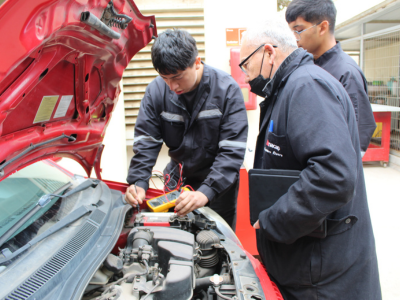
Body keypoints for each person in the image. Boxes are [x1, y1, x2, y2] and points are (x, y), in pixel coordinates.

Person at [240, 19, 381, 299]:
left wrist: (273, 221)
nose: (246, 76)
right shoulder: (289, 87)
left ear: (269, 53)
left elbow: (333, 176)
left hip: (321, 272)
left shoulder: (306, 87)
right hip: (306, 260)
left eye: (246, 65)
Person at [125, 29, 248, 228]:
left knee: (214, 245)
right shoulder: (156, 91)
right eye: (165, 78)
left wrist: (206, 192)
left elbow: (232, 151)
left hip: (218, 187)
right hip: (177, 183)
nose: (172, 86)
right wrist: (138, 181)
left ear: (197, 62)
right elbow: (146, 142)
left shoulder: (227, 90)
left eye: (177, 77)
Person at [286, 0, 376, 156]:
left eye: (298, 30)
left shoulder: (346, 72)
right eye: (291, 32)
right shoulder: (306, 66)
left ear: (322, 27)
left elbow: (358, 136)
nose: (294, 38)